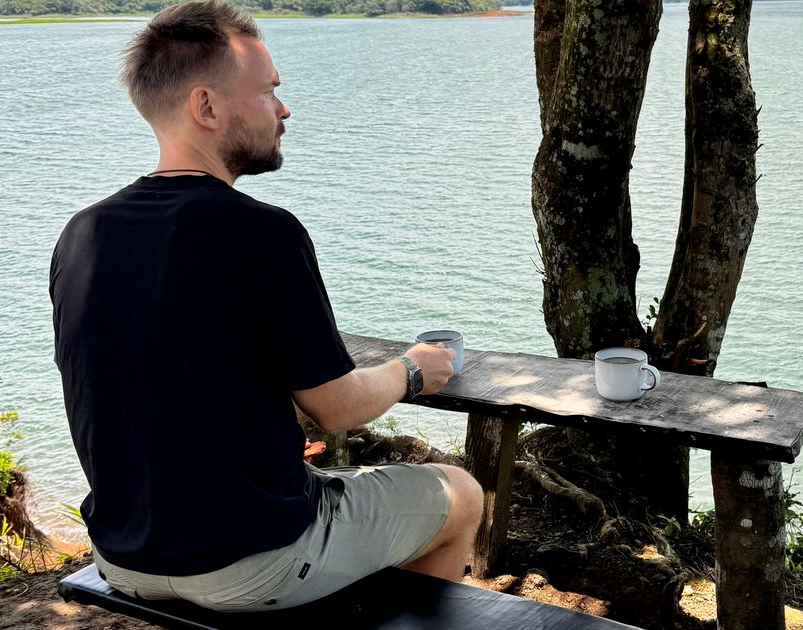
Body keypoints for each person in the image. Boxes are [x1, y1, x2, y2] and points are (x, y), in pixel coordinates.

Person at [50, 0, 482, 611]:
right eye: (269, 92)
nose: (283, 109)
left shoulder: (81, 234)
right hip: (251, 562)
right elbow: (337, 407)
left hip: (121, 555)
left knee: (330, 488)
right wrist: (413, 369)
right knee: (460, 493)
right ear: (206, 107)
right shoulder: (263, 232)